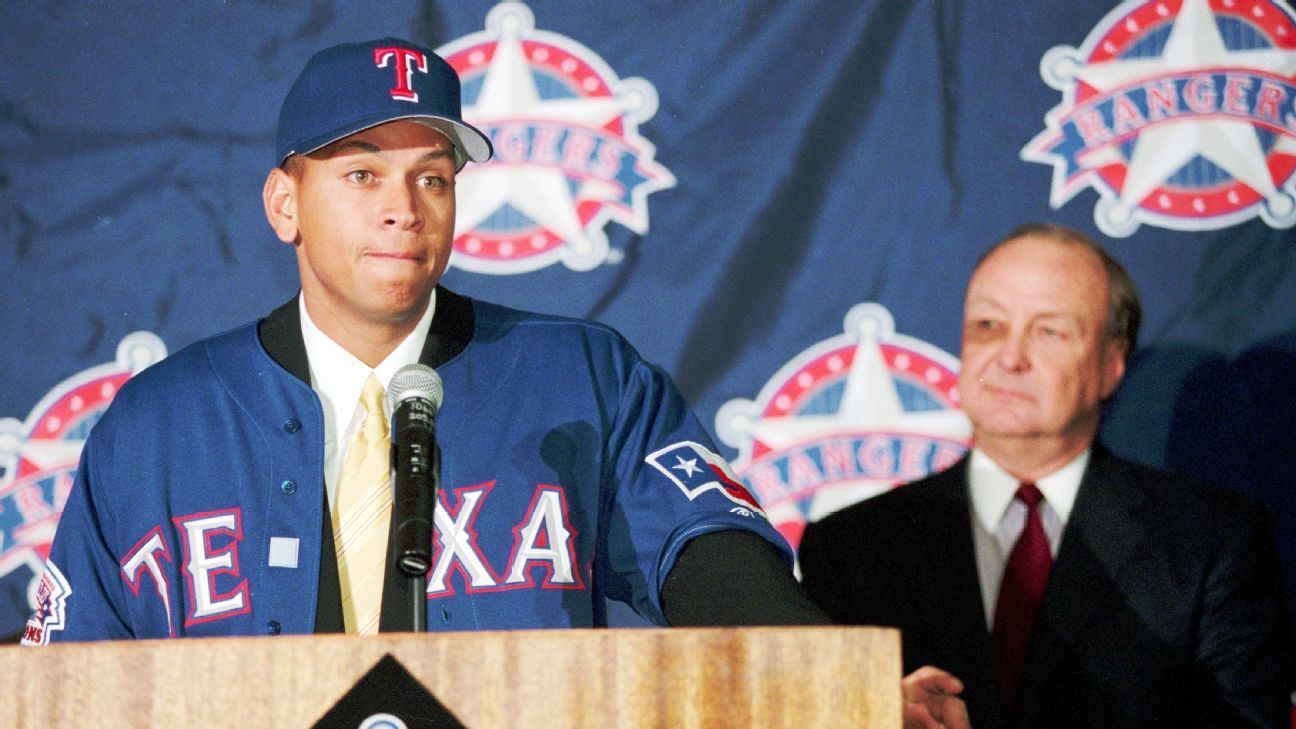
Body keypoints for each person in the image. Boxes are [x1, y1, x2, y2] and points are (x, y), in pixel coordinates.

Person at [19, 37, 967, 728]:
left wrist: (831, 685)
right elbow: (64, 680)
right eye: (360, 174)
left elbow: (706, 548)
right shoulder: (156, 423)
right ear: (284, 204)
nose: (401, 208)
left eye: (432, 178)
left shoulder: (580, 376)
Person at [799, 222, 1294, 728]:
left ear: (1112, 364)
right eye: (987, 326)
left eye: (1049, 331)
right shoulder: (848, 549)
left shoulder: (1211, 542)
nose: (1009, 358)